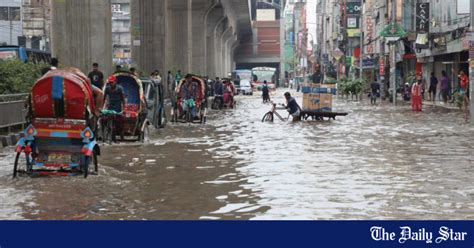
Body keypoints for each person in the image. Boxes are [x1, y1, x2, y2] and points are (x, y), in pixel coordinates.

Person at [103, 75, 126, 142]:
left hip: (118, 107)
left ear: (115, 82)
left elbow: (123, 99)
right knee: (104, 119)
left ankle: (121, 138)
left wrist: (124, 109)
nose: (111, 84)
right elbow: (104, 99)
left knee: (119, 124)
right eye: (110, 82)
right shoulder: (107, 88)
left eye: (112, 82)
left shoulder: (119, 88)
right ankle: (107, 134)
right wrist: (101, 108)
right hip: (110, 106)